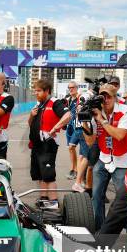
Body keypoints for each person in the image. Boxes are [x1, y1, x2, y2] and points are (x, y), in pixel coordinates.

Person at [89, 84, 127, 229]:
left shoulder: (126, 111)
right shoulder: (96, 112)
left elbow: (119, 135)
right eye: (102, 97)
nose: (105, 100)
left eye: (108, 96)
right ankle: (99, 228)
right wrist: (85, 122)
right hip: (104, 157)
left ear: (115, 98)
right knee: (96, 195)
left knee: (123, 200)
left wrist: (102, 120)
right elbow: (90, 141)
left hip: (123, 161)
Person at [27, 79, 71, 209]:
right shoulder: (39, 104)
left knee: (48, 176)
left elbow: (68, 115)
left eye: (39, 91)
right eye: (35, 90)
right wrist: (31, 115)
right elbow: (31, 124)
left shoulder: (55, 102)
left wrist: (54, 128)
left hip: (48, 144)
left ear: (47, 91)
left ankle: (53, 204)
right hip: (36, 145)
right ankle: (43, 199)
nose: (36, 93)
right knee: (40, 175)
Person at [64, 81, 81, 179]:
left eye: (73, 87)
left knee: (71, 147)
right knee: (70, 149)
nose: (71, 89)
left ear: (77, 88)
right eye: (69, 87)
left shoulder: (80, 98)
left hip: (78, 126)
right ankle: (73, 169)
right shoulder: (68, 99)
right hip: (69, 126)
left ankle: (76, 170)